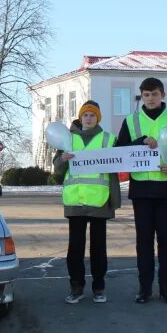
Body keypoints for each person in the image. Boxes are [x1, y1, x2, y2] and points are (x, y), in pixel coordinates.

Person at [116, 78, 167, 305]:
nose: (151, 98)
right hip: (141, 190)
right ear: (142, 96)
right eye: (147, 94)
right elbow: (120, 151)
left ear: (163, 95)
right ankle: (144, 289)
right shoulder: (131, 121)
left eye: (155, 94)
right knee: (144, 242)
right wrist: (140, 141)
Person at [53, 101, 121, 304]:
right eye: (86, 115)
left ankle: (99, 287)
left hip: (99, 202)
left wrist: (114, 200)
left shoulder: (108, 139)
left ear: (98, 118)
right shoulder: (67, 139)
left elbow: (120, 164)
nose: (89, 118)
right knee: (75, 248)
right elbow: (56, 171)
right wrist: (62, 160)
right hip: (75, 200)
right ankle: (76, 287)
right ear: (80, 118)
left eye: (92, 115)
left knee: (98, 248)